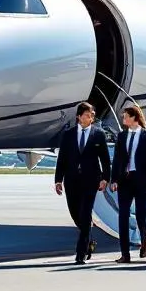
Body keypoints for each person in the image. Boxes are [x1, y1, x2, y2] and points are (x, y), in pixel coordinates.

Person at [54, 101, 111, 264]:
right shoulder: (68, 134)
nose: (91, 117)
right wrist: (58, 180)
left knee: (85, 215)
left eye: (92, 115)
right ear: (79, 117)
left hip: (91, 180)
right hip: (71, 180)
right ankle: (89, 241)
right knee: (75, 214)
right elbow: (62, 158)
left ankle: (81, 253)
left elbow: (105, 160)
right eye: (88, 115)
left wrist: (105, 178)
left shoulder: (98, 134)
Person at [109, 104, 146, 263]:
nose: (123, 118)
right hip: (125, 180)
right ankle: (125, 254)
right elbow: (117, 160)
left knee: (140, 215)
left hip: (142, 180)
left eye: (126, 116)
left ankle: (144, 239)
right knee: (123, 216)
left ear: (134, 118)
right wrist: (114, 179)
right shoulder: (122, 136)